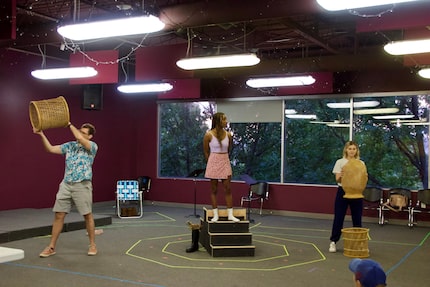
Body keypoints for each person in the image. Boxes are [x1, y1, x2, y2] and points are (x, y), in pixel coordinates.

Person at [34, 122, 98, 257]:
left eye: (84, 133)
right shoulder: (69, 146)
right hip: (66, 184)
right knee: (59, 215)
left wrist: (69, 124)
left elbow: (80, 139)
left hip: (82, 185)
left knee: (87, 215)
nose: (80, 134)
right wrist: (41, 134)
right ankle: (51, 247)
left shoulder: (92, 147)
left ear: (90, 136)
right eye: (80, 131)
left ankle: (92, 245)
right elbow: (50, 149)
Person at [329, 141, 367, 252]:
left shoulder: (361, 163)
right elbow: (337, 179)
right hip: (343, 191)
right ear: (346, 150)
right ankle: (333, 242)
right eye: (350, 148)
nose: (352, 151)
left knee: (357, 219)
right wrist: (343, 174)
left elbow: (363, 178)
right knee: (339, 217)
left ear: (356, 151)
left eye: (354, 149)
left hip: (357, 193)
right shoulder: (340, 162)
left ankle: (358, 244)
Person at [203, 112, 239, 222]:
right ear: (218, 121)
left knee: (227, 188)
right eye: (224, 119)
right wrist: (211, 163)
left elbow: (229, 149)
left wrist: (223, 158)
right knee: (214, 189)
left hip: (224, 160)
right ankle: (215, 214)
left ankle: (230, 214)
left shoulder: (228, 135)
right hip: (213, 161)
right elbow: (206, 151)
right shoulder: (208, 135)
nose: (226, 121)